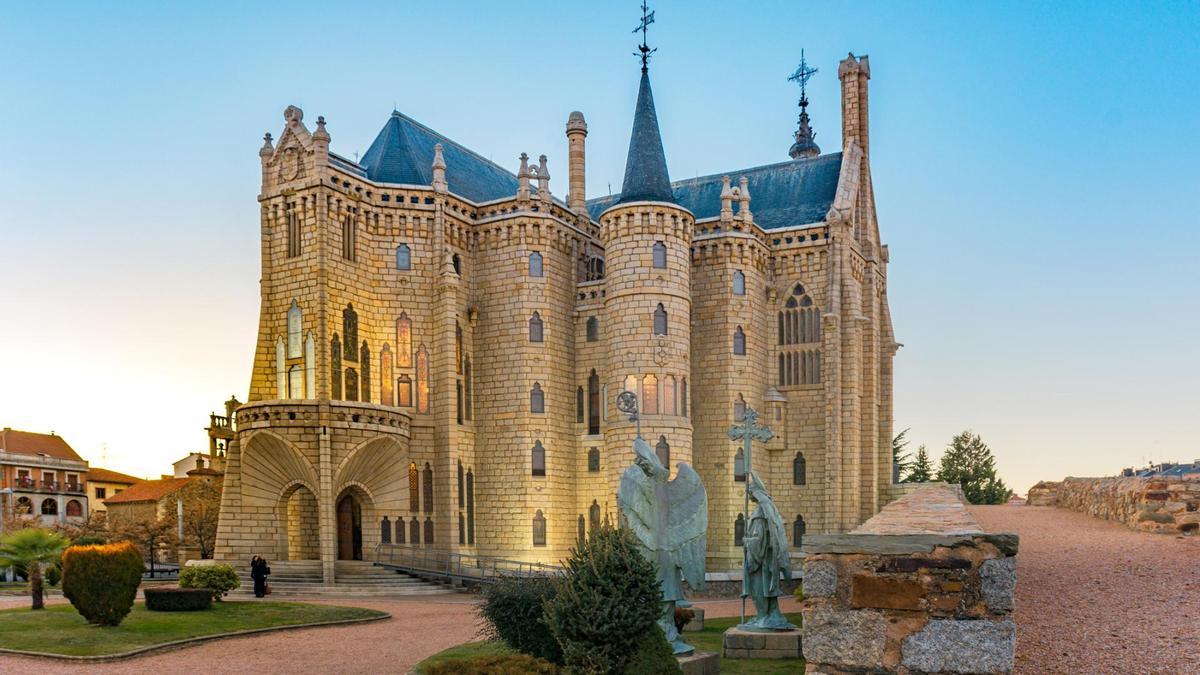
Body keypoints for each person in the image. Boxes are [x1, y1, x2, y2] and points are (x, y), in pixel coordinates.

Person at [739, 472, 796, 631]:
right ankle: (768, 616)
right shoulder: (769, 509)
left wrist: (747, 542)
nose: (748, 495)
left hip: (762, 564)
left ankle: (764, 617)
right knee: (768, 592)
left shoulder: (759, 514)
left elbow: (759, 540)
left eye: (750, 492)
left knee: (759, 590)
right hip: (769, 563)